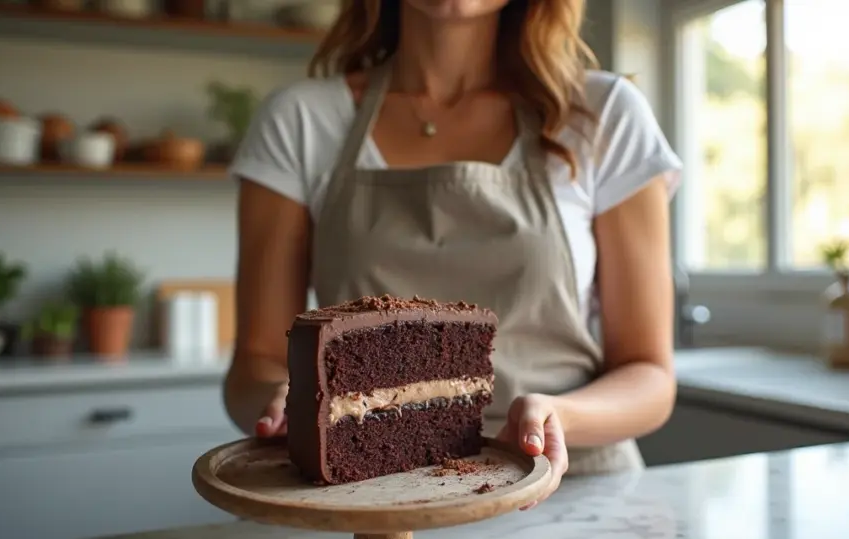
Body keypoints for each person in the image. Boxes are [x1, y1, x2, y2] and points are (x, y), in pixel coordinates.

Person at [224, 0, 682, 508]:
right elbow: (256, 361)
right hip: (365, 498)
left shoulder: (603, 114)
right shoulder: (302, 120)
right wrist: (288, 403)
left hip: (574, 492)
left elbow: (650, 376)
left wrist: (561, 416)